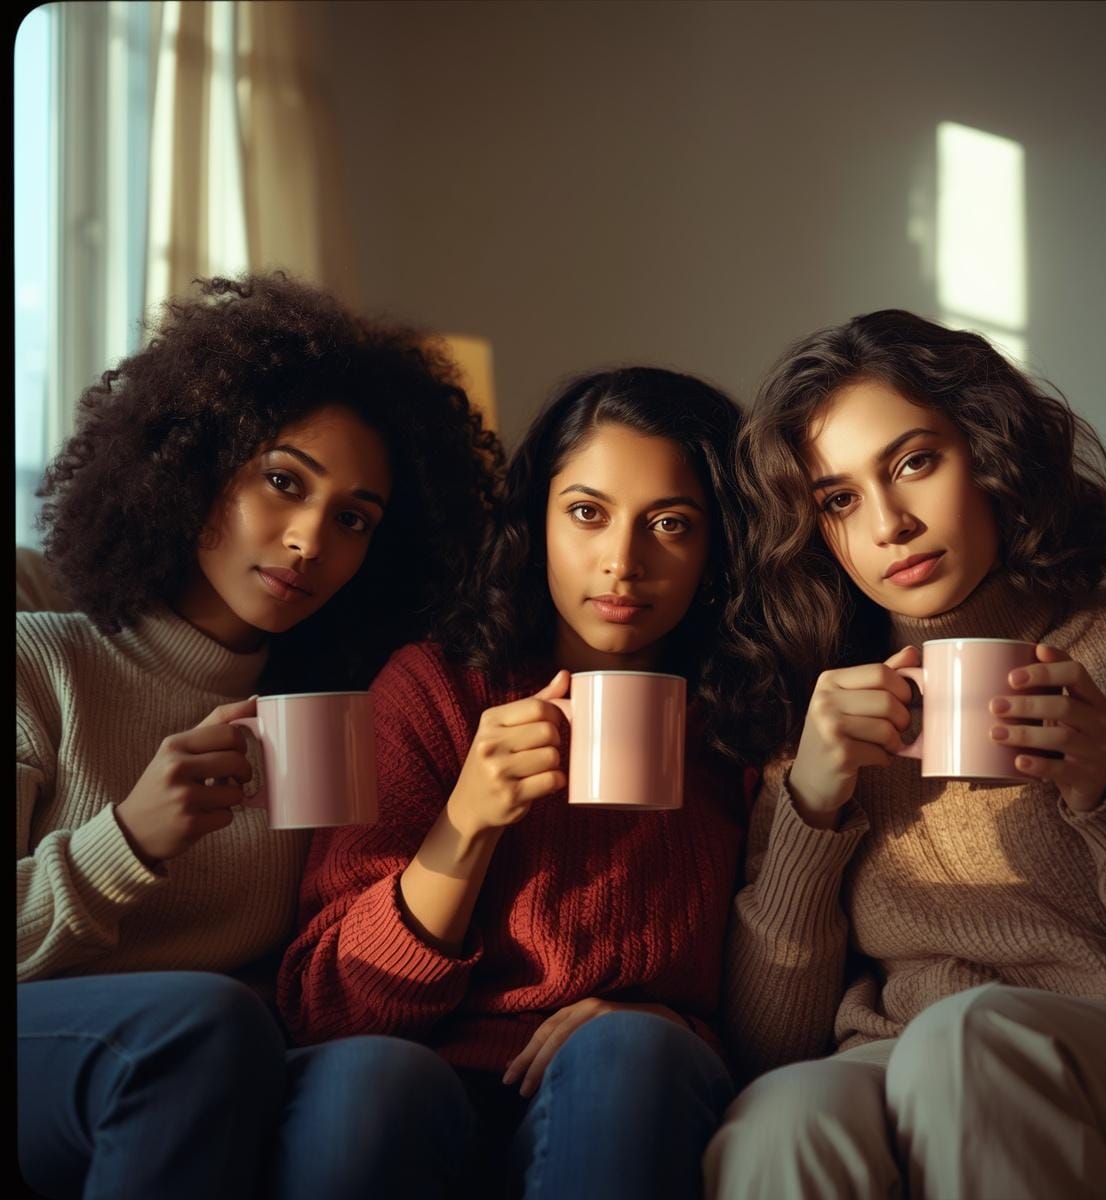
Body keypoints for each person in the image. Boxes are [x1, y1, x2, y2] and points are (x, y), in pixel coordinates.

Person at [17, 272, 502, 1200]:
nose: (309, 539)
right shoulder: (36, 667)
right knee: (204, 1022)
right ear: (195, 464)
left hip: (232, 1057)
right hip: (56, 1044)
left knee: (383, 1076)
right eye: (284, 482)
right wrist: (125, 842)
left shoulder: (341, 717)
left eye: (353, 518)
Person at [705, 310, 1106, 1200]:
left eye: (914, 462)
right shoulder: (821, 709)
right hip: (899, 1050)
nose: (888, 524)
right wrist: (810, 803)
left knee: (968, 1041)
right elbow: (766, 1044)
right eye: (839, 499)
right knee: (780, 1120)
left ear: (992, 452)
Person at [278, 366, 764, 1199]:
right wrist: (467, 822)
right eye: (586, 513)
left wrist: (678, 1027)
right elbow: (328, 1010)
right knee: (370, 1083)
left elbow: (780, 1008)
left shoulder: (750, 726)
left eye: (671, 524)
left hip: (633, 1088)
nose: (621, 561)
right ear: (537, 521)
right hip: (425, 1079)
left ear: (717, 547)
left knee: (632, 1055)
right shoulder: (434, 688)